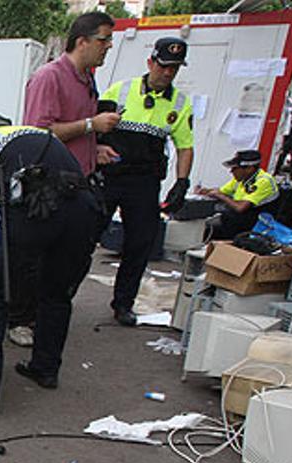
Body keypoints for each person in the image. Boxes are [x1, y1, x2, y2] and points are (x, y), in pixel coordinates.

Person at [0, 116, 98, 414]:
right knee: (55, 293)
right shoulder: (41, 137)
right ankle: (45, 369)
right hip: (82, 212)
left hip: (36, 213)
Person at [13, 10, 120, 347]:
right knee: (39, 261)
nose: (107, 48)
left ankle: (45, 323)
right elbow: (38, 132)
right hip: (51, 187)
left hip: (81, 184)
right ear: (82, 41)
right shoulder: (50, 77)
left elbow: (72, 130)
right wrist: (91, 126)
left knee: (70, 262)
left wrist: (95, 147)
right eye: (103, 40)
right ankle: (23, 319)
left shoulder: (86, 80)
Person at [97, 37, 195, 327]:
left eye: (174, 68)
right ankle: (64, 293)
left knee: (140, 243)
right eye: (163, 66)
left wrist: (182, 182)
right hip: (111, 176)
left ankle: (123, 304)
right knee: (85, 235)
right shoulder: (121, 90)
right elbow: (96, 126)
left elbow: (184, 146)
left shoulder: (179, 103)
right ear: (151, 62)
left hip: (144, 181)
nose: (167, 73)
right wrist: (98, 148)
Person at [197, 149, 280, 240]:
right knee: (201, 224)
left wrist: (220, 196)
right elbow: (221, 191)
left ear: (249, 169)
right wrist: (204, 191)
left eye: (235, 168)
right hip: (238, 220)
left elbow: (240, 207)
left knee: (208, 230)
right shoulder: (242, 178)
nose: (231, 171)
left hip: (255, 226)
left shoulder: (263, 181)